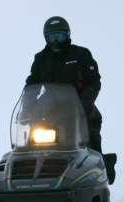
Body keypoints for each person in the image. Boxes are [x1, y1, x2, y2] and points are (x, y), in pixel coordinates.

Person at [26, 16, 103, 153]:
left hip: (80, 109)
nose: (55, 41)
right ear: (46, 38)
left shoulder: (81, 54)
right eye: (52, 37)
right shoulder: (41, 58)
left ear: (67, 35)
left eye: (59, 36)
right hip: (49, 111)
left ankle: (100, 167)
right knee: (32, 141)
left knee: (92, 144)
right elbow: (32, 84)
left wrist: (83, 104)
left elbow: (94, 81)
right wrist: (27, 108)